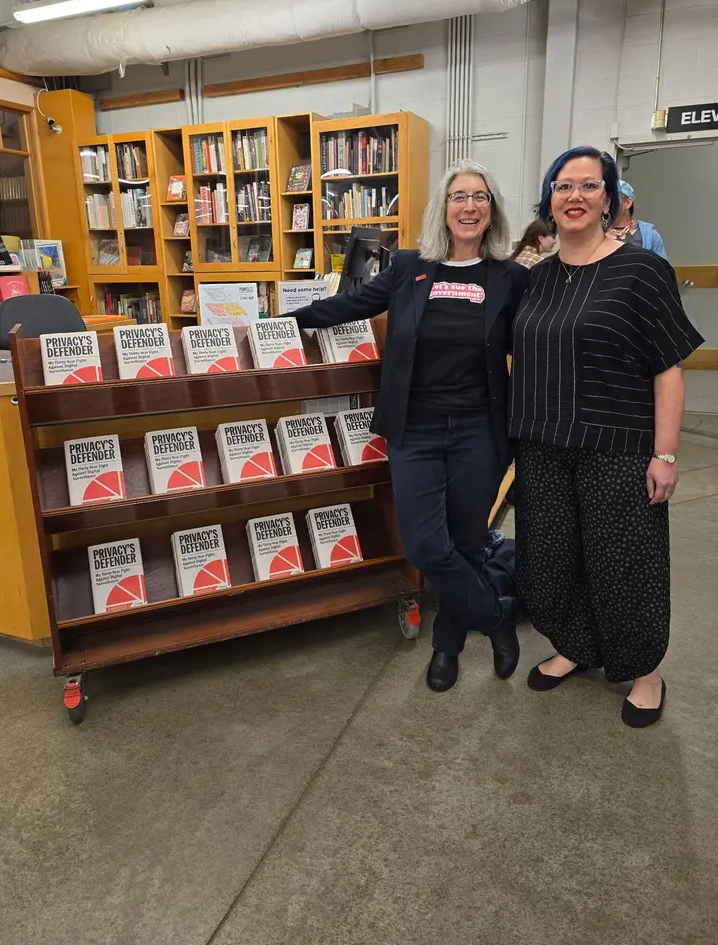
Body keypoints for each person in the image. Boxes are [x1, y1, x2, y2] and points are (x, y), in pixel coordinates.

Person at [286, 161, 530, 692]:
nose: (470, 206)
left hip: (478, 433)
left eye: (481, 197)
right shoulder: (411, 266)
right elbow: (353, 303)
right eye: (459, 196)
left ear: (492, 211)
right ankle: (495, 616)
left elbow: (536, 347)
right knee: (423, 546)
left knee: (466, 543)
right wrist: (283, 322)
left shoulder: (510, 278)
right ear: (442, 208)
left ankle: (446, 648)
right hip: (415, 429)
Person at [509, 145, 703, 727]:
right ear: (549, 199)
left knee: (625, 567)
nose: (575, 196)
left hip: (617, 448)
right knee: (550, 561)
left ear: (610, 199)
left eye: (589, 186)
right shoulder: (536, 280)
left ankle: (646, 671)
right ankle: (576, 646)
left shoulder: (641, 269)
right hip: (542, 447)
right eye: (564, 186)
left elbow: (668, 367)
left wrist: (664, 453)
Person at [608, 179, 668, 258]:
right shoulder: (595, 232)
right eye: (605, 200)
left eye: (613, 200)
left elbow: (662, 268)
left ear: (628, 203)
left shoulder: (649, 235)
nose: (608, 204)